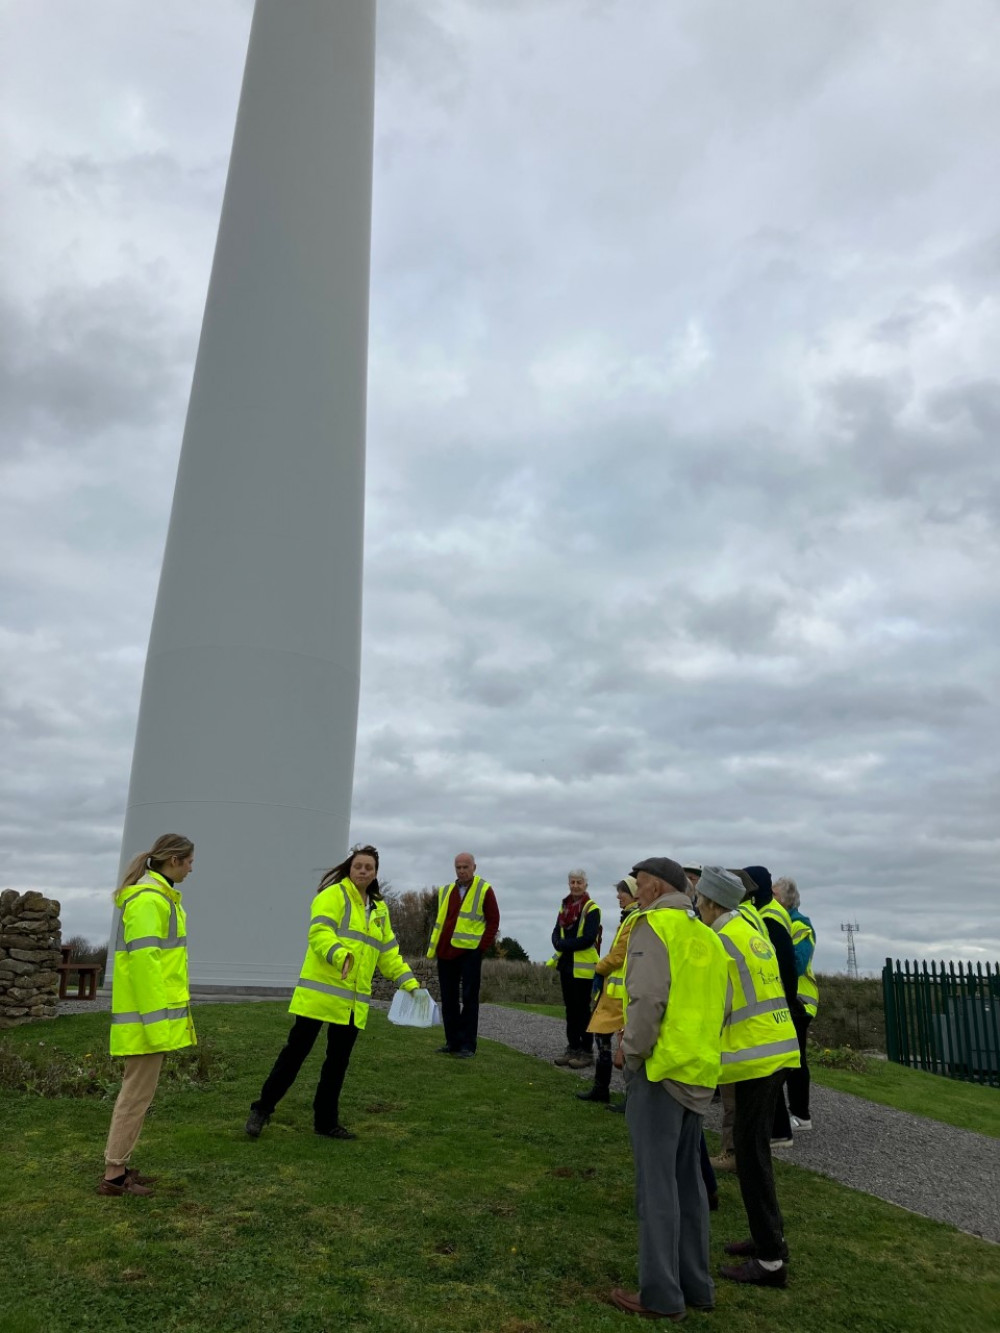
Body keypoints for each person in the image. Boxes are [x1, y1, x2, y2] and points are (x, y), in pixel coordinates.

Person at [609, 857, 729, 1321]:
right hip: (698, 1071)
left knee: (656, 1185)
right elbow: (722, 1006)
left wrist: (631, 1053)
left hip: (659, 1073)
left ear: (656, 888)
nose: (634, 893)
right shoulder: (707, 936)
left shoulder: (652, 927)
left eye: (638, 885)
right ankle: (697, 1285)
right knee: (688, 1182)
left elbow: (646, 1000)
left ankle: (660, 1293)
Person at [245, 845, 419, 1141]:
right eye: (358, 866)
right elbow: (319, 933)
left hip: (351, 1003)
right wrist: (340, 954)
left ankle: (326, 1122)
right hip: (319, 995)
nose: (363, 871)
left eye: (369, 867)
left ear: (376, 873)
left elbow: (388, 952)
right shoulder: (333, 896)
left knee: (337, 1063)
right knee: (294, 1055)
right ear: (349, 868)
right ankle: (262, 1110)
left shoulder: (379, 910)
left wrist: (409, 982)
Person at [695, 865, 800, 1288]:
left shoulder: (720, 940)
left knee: (750, 1155)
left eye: (700, 900)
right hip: (776, 1047)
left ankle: (771, 1262)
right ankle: (768, 1239)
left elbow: (715, 1002)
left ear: (711, 903)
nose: (697, 907)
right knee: (756, 1150)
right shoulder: (749, 930)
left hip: (756, 1056)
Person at [98, 833, 196, 1197]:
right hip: (145, 1023)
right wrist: (157, 1026)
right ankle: (113, 1175)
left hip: (146, 1021)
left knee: (137, 1094)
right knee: (135, 1097)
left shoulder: (159, 899)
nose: (191, 868)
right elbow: (145, 966)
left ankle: (119, 1167)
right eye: (188, 861)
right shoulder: (148, 901)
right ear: (173, 860)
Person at [742, 864, 806, 1149]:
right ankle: (778, 1130)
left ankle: (779, 1131)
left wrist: (787, 1000)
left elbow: (785, 964)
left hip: (774, 1001)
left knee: (768, 1068)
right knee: (771, 1067)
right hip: (778, 1000)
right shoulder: (769, 912)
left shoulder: (769, 916)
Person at [426, 851, 500, 1058]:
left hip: (469, 953)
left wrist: (481, 948)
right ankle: (452, 1042)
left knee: (469, 999)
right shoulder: (446, 890)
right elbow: (441, 920)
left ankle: (468, 1045)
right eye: (458, 867)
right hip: (445, 951)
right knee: (448, 1000)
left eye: (465, 867)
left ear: (474, 867)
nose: (462, 870)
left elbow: (493, 921)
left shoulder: (484, 889)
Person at [576, 876, 638, 1106]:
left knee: (623, 1046)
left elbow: (619, 956)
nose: (618, 896)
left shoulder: (632, 919)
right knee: (605, 1040)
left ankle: (620, 1094)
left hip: (620, 995)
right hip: (615, 993)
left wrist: (599, 967)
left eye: (623, 892)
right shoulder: (629, 918)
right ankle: (602, 1089)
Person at [773, 875, 818, 1130]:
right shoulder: (778, 922)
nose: (772, 899)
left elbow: (797, 964)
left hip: (800, 1002)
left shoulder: (800, 926)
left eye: (776, 895)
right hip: (784, 1001)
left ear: (788, 900)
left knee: (797, 1060)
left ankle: (801, 1115)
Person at [547, 869, 601, 1068]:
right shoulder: (565, 906)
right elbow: (556, 931)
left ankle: (586, 1052)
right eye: (572, 882)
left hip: (584, 969)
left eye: (579, 882)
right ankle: (572, 1047)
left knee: (583, 1012)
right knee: (570, 1010)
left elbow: (588, 938)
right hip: (567, 966)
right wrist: (556, 942)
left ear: (586, 885)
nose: (575, 885)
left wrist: (563, 944)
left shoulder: (592, 908)